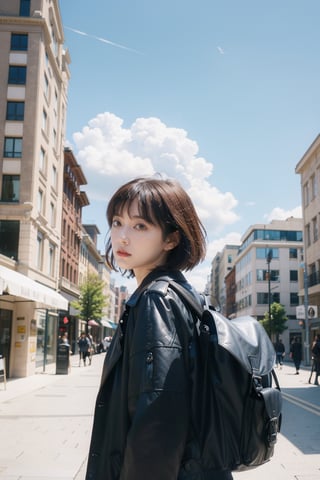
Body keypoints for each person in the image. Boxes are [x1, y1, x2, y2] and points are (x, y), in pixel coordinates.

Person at [85, 176, 233, 480]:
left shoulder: (156, 300)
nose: (122, 237)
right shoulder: (182, 293)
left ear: (171, 239)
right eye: (116, 222)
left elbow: (157, 421)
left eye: (140, 226)